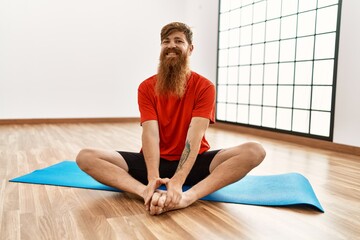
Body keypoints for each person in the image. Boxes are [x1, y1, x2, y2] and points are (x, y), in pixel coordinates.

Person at [76, 22, 266, 215]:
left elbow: (195, 136)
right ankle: (145, 192)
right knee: (86, 157)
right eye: (166, 41)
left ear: (190, 49)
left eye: (178, 41)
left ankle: (187, 197)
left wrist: (179, 180)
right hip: (154, 161)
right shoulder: (146, 87)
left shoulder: (205, 87)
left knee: (254, 151)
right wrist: (152, 179)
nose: (171, 45)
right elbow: (150, 134)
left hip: (193, 163)